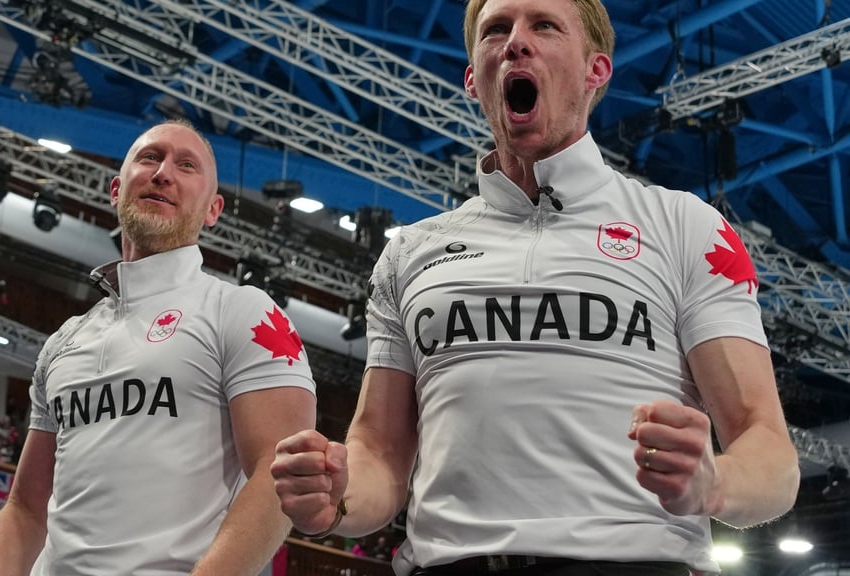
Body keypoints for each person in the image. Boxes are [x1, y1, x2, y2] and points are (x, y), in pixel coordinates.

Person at [271, 1, 800, 575]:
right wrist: (337, 496)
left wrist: (714, 482)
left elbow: (770, 455)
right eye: (497, 30)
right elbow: (379, 452)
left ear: (596, 71)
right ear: (474, 78)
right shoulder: (407, 253)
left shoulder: (687, 227)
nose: (516, 42)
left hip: (630, 564)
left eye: (544, 26)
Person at [0, 119, 317, 576]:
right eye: (150, 158)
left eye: (186, 165)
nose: (164, 172)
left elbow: (276, 475)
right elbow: (26, 509)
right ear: (115, 189)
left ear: (213, 210)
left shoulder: (244, 311)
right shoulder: (64, 342)